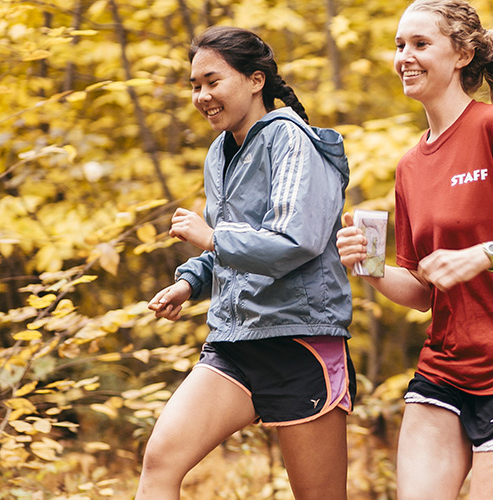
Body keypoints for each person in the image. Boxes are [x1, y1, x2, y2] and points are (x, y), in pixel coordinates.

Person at [336, 1, 493, 498]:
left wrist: (482, 255)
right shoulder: (410, 165)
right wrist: (370, 267)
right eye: (399, 45)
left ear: (462, 55)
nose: (405, 56)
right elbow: (422, 291)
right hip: (443, 366)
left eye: (420, 43)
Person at [138, 26, 354, 500]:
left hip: (299, 343)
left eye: (213, 81)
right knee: (161, 461)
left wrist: (211, 237)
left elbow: (295, 241)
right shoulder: (219, 153)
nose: (202, 96)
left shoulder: (292, 141)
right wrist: (190, 282)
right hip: (234, 342)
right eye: (195, 85)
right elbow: (232, 249)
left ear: (256, 80)